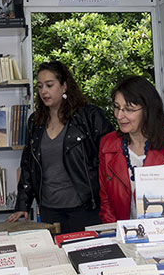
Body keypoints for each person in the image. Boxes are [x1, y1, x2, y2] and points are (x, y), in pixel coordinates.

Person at [7, 61, 113, 233]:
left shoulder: (89, 117)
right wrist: (22, 204)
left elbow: (110, 161)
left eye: (49, 85)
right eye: (40, 86)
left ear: (64, 86)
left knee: (85, 256)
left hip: (84, 208)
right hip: (50, 209)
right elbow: (28, 165)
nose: (44, 91)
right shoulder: (35, 121)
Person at [99, 75, 164, 223]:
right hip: (122, 235)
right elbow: (106, 202)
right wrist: (116, 234)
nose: (119, 115)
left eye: (128, 109)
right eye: (117, 107)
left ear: (148, 110)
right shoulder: (108, 145)